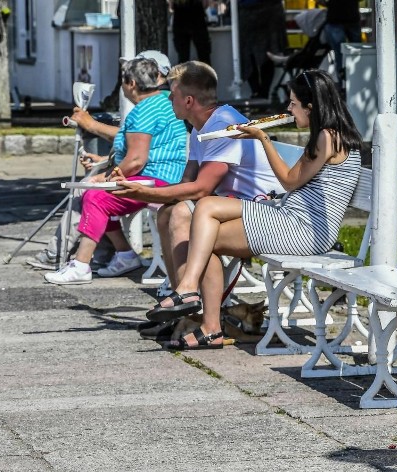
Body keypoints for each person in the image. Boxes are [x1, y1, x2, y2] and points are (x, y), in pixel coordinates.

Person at [140, 69, 362, 350]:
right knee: (206, 215)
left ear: (312, 106)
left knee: (203, 228)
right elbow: (293, 181)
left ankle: (193, 298)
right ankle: (201, 312)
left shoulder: (328, 137)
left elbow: (288, 181)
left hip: (305, 229)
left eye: (293, 103)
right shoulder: (329, 135)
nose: (289, 109)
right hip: (291, 218)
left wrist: (262, 138)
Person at [111, 61, 283, 341]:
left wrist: (142, 193)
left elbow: (201, 189)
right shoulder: (199, 128)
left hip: (263, 212)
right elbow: (186, 184)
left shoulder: (224, 126)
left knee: (180, 213)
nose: (168, 100)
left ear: (188, 100)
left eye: (172, 95)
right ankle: (186, 309)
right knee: (167, 212)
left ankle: (189, 306)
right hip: (231, 207)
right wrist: (137, 186)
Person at [44, 58, 188, 285]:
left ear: (131, 83)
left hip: (158, 179)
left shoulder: (144, 112)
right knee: (100, 196)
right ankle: (125, 254)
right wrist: (105, 161)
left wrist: (104, 177)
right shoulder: (162, 101)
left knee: (95, 196)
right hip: (167, 175)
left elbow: (136, 160)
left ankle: (81, 265)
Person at [238, 0, 288, 99]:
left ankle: (259, 93)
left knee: (256, 55)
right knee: (255, 55)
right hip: (266, 10)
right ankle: (260, 93)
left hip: (262, 11)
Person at [320, 0, 361, 82]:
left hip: (335, 17)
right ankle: (357, 80)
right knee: (357, 53)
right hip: (352, 16)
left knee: (340, 55)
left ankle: (343, 83)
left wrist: (327, 3)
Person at [170, 0, 212, 66]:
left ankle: (184, 76)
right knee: (204, 57)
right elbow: (205, 5)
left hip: (180, 22)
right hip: (197, 20)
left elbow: (171, 6)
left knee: (183, 58)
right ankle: (205, 75)